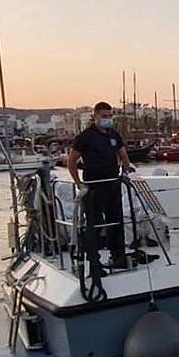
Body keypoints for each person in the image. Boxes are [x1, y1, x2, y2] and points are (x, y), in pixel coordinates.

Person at [68, 102, 134, 268]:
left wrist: (127, 170)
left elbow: (123, 154)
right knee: (94, 224)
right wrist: (79, 183)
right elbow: (71, 161)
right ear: (95, 116)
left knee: (116, 222)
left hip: (112, 184)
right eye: (104, 116)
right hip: (93, 186)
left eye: (110, 116)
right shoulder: (85, 137)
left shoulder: (113, 134)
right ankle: (93, 262)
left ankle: (118, 257)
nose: (108, 119)